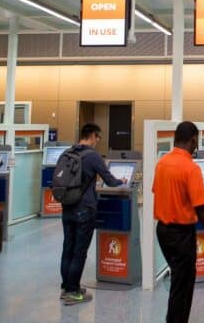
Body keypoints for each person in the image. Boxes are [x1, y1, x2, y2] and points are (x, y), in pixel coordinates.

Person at [153, 121, 204, 323]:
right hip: (181, 235)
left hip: (162, 231)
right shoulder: (191, 168)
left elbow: (157, 191)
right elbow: (203, 209)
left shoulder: (162, 163)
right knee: (183, 287)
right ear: (193, 140)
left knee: (178, 283)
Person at [60, 123, 126, 305]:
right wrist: (123, 181)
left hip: (67, 207)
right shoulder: (93, 156)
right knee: (80, 252)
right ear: (93, 136)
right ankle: (73, 292)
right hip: (85, 209)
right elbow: (110, 181)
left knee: (68, 248)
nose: (98, 141)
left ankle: (67, 287)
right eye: (98, 138)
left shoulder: (67, 153)